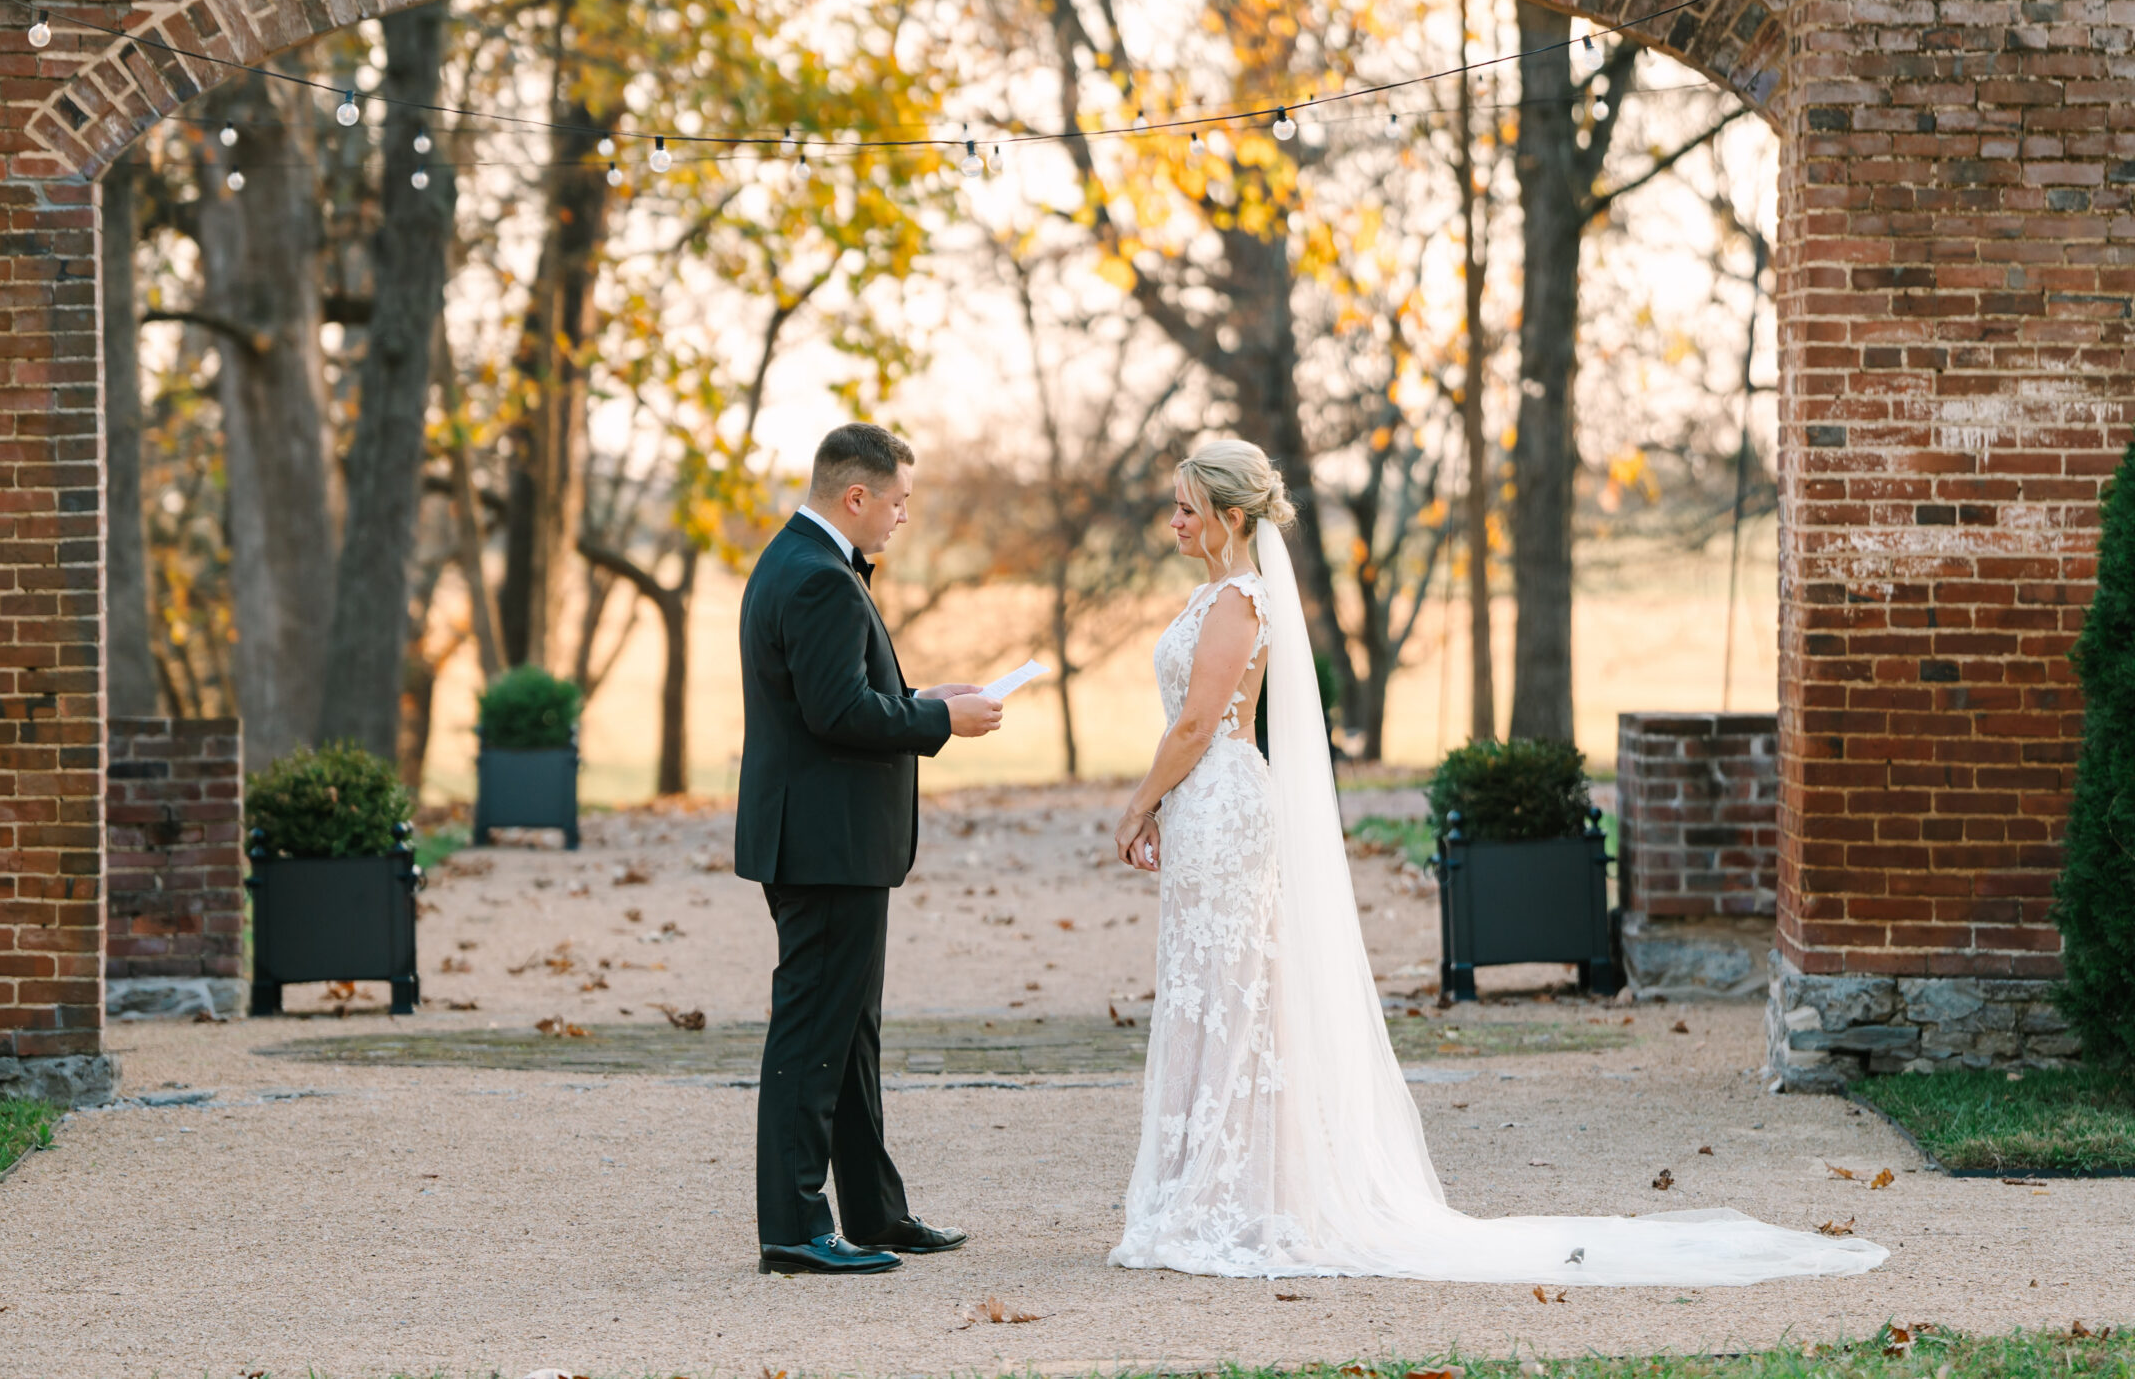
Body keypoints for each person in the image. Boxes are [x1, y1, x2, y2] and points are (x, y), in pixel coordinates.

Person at [1108, 438, 1889, 1284]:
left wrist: (1137, 801)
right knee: (1214, 990)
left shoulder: (1237, 603)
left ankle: (1231, 1197)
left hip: (1219, 804)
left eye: (1188, 506)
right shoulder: (1221, 595)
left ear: (1230, 517)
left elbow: (1197, 725)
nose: (1174, 520)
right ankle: (1214, 1187)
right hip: (1208, 806)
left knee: (1232, 993)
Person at [735, 422, 1005, 1275]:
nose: (901, 517)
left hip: (828, 841)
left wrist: (925, 694)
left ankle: (876, 1213)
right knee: (813, 1037)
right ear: (857, 496)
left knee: (850, 1038)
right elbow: (836, 714)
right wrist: (940, 721)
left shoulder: (802, 562)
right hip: (825, 846)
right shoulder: (817, 578)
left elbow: (838, 692)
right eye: (897, 502)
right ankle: (795, 1230)